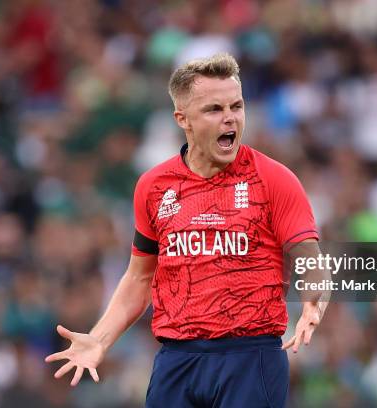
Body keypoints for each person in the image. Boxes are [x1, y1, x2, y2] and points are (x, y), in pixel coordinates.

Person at [45, 53, 327, 407]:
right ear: (183, 119)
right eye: (214, 109)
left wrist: (313, 302)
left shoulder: (273, 179)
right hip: (177, 360)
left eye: (236, 106)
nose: (230, 118)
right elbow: (139, 278)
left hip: (250, 355)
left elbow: (309, 257)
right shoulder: (153, 186)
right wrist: (100, 339)